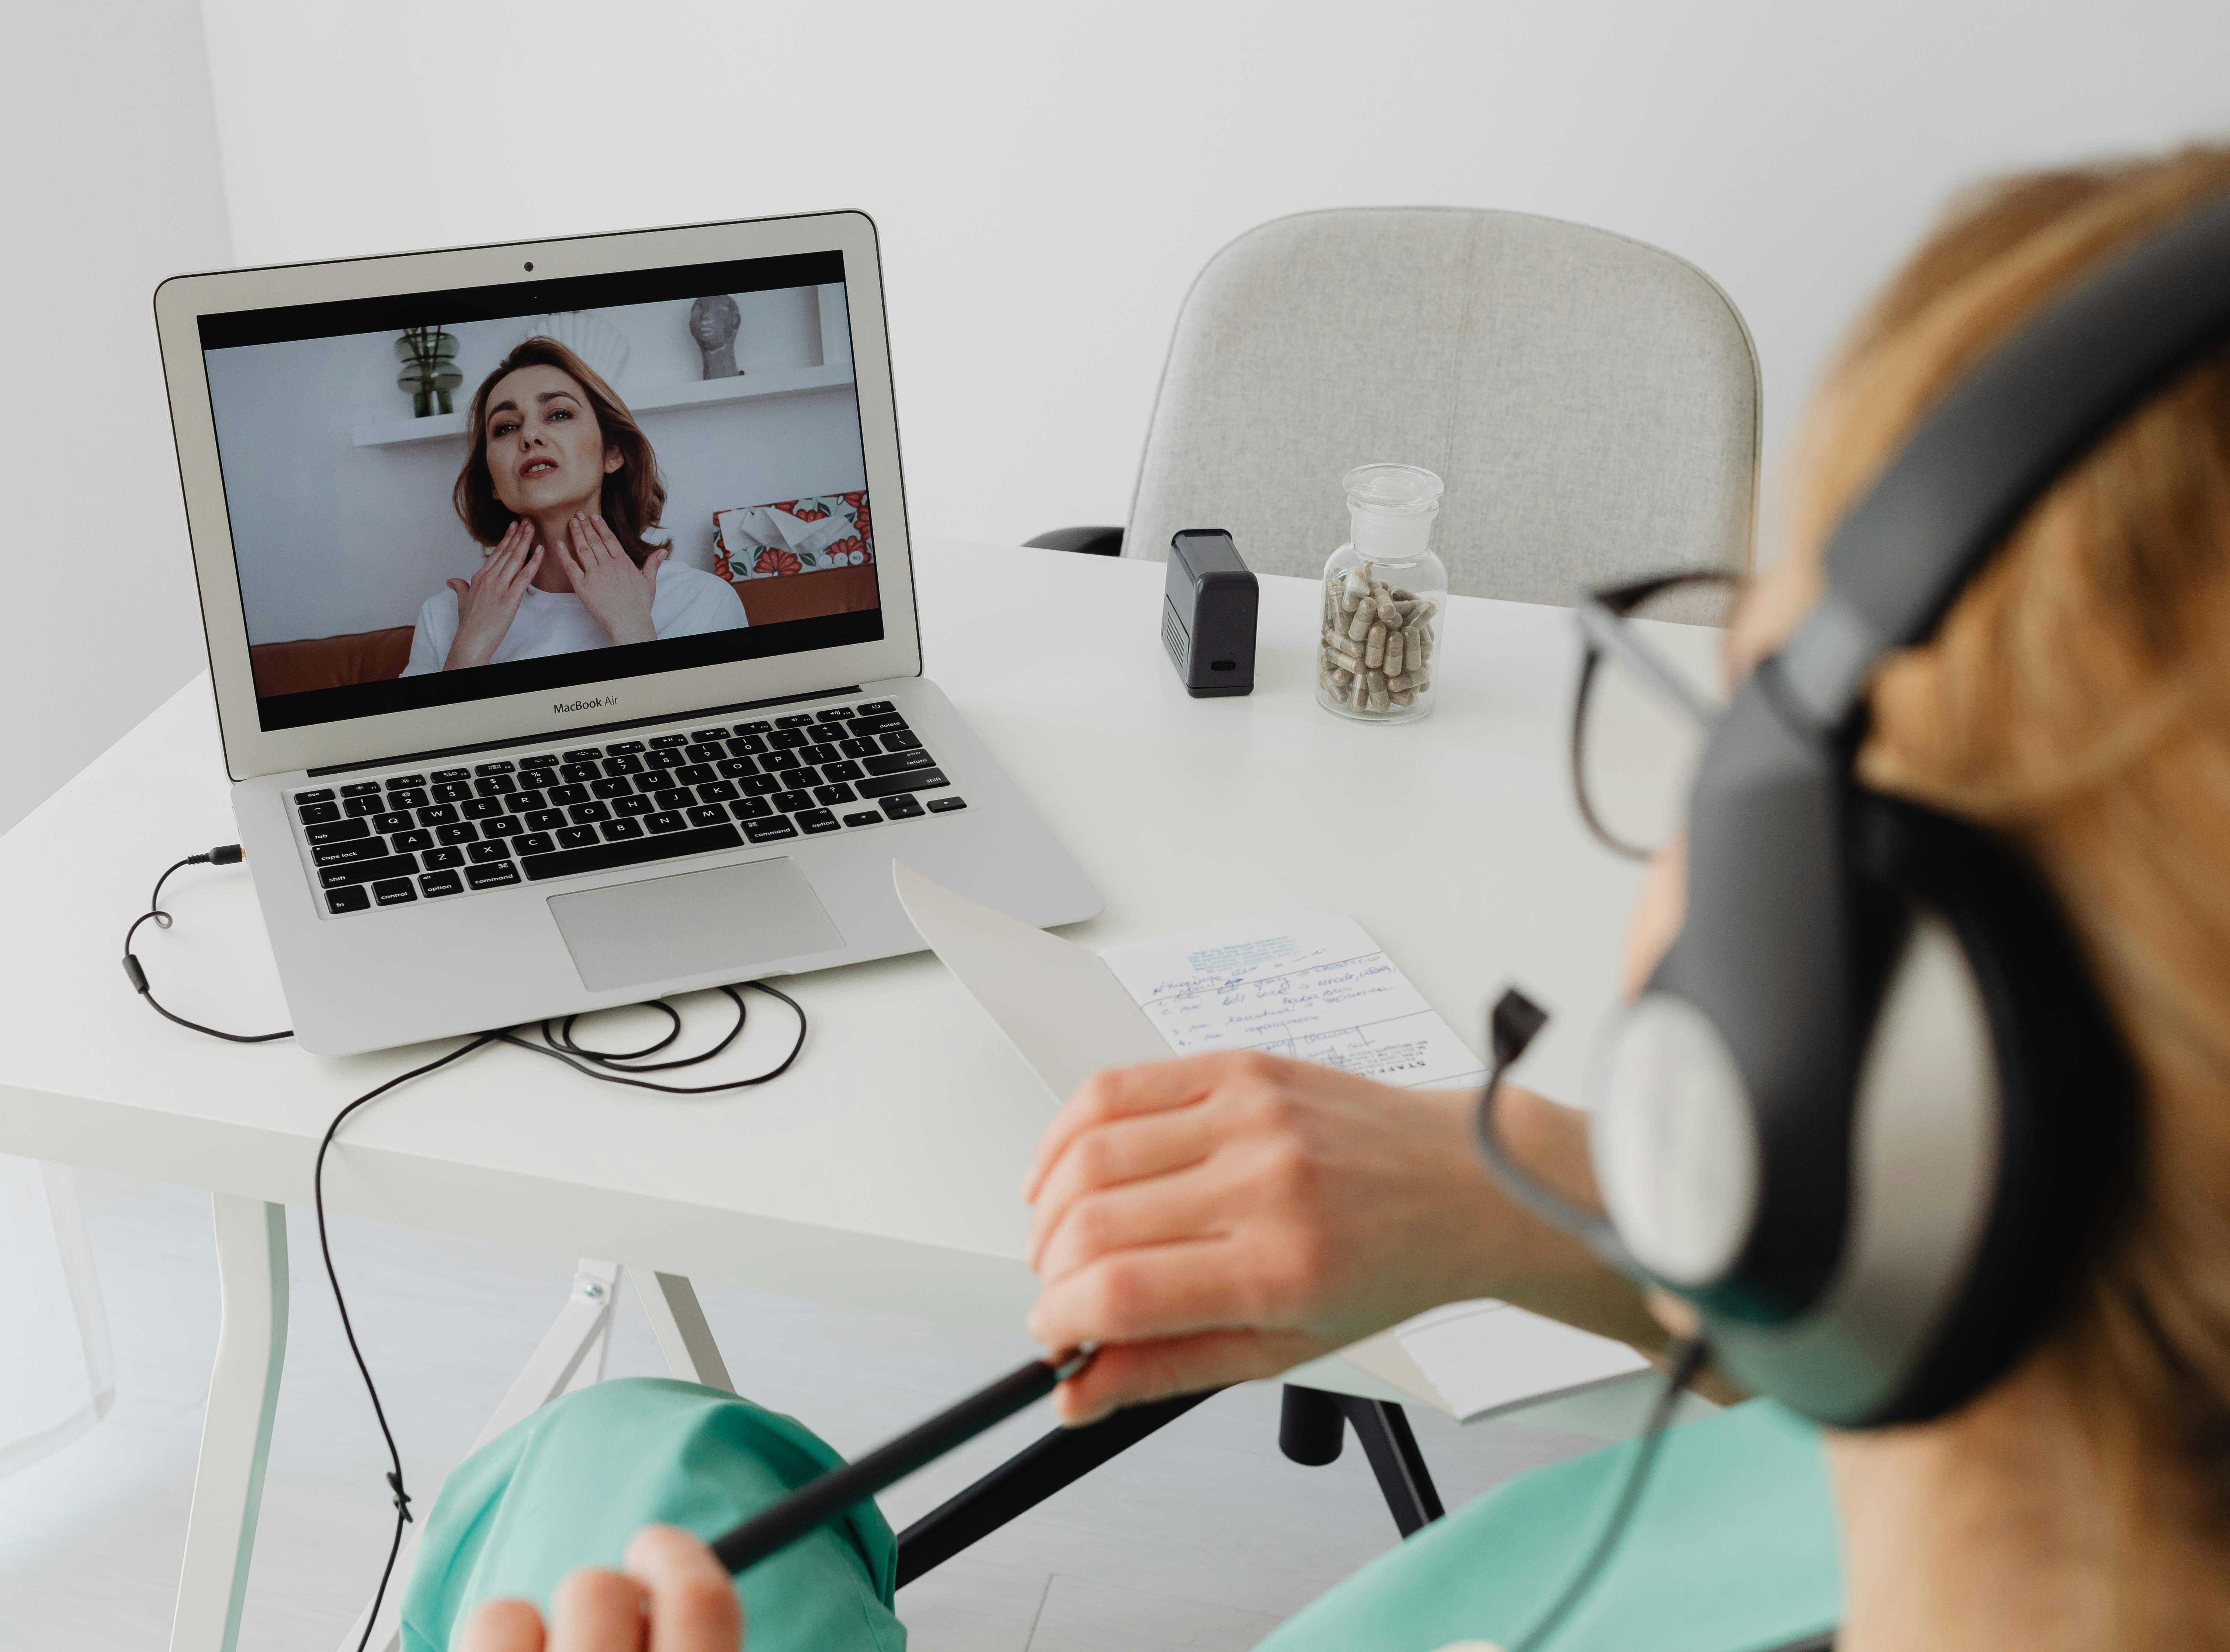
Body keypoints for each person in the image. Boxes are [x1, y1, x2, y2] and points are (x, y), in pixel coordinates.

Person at [407, 148, 2230, 1652]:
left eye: (1729, 719)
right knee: (649, 1449)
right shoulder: (1991, 1391)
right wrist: (1526, 1187)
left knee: (613, 1469)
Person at [401, 337, 745, 676]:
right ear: (492, 481)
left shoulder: (703, 602)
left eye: (559, 414)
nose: (530, 436)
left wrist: (633, 632)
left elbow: (699, 730)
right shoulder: (445, 619)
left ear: (613, 453)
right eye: (506, 427)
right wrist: (469, 651)